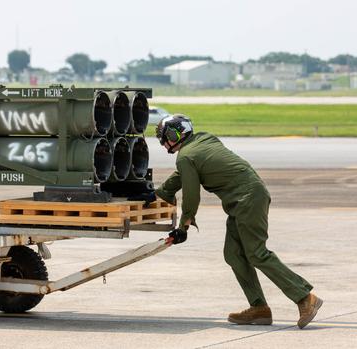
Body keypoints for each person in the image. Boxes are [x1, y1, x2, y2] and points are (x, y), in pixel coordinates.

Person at [131, 114, 322, 329]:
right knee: (233, 254)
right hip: (244, 200)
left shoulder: (186, 156)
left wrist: (183, 226)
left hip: (247, 199)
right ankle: (259, 308)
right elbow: (183, 175)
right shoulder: (204, 140)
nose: (162, 141)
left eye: (164, 137)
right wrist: (159, 193)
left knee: (257, 253)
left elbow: (192, 195)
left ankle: (305, 298)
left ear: (175, 135)